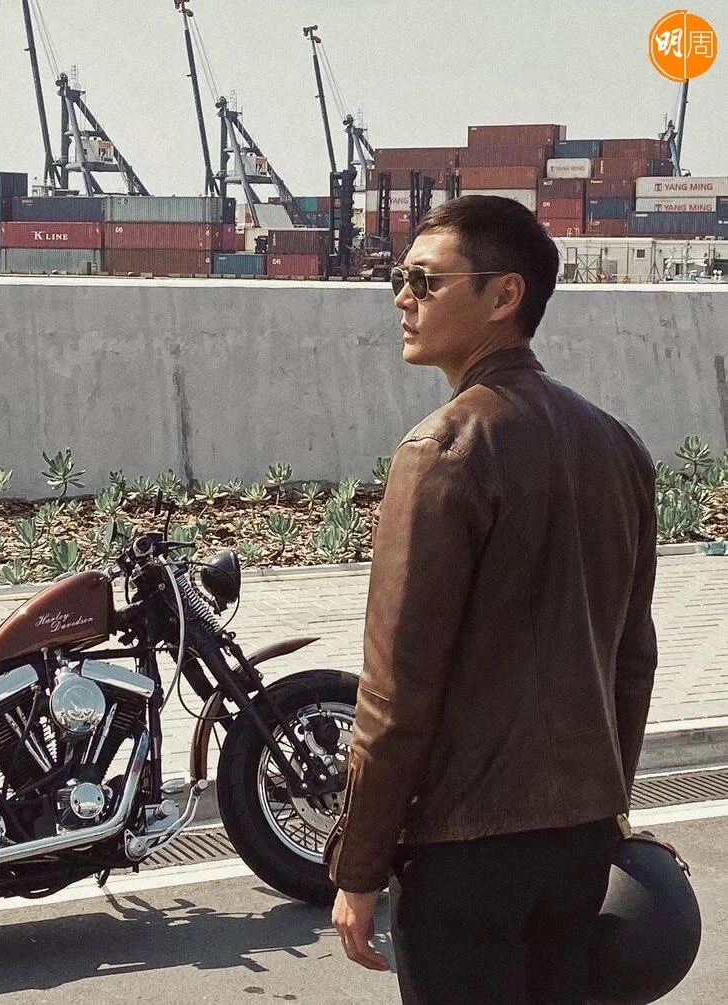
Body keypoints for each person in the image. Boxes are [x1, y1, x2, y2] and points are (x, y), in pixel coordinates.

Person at [325, 195, 658, 1003]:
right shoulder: (619, 445)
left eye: (424, 281)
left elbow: (396, 695)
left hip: (465, 849)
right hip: (578, 844)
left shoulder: (441, 449)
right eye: (399, 280)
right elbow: (634, 660)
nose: (402, 299)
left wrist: (358, 867)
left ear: (505, 295)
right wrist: (607, 811)